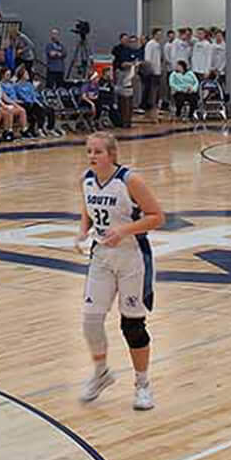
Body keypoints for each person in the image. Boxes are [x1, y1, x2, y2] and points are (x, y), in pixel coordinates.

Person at [76, 131, 163, 409]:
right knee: (90, 321)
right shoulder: (87, 180)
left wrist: (123, 230)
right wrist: (81, 233)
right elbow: (88, 211)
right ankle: (101, 373)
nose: (92, 156)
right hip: (101, 256)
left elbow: (157, 217)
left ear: (111, 155)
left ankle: (142, 384)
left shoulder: (130, 180)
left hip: (131, 257)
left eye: (98, 152)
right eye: (89, 151)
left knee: (132, 326)